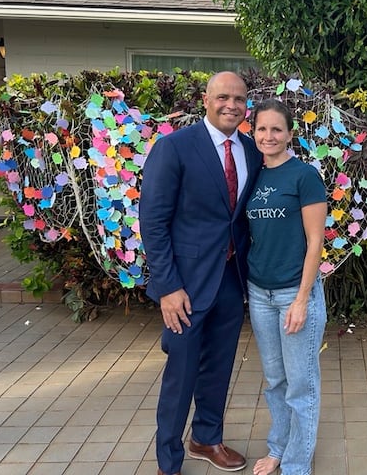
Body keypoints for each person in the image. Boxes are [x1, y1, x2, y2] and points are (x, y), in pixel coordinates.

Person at [139, 71, 263, 475]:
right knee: (181, 372)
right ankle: (167, 462)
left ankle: (206, 439)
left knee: (219, 367)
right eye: (223, 97)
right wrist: (168, 287)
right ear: (206, 100)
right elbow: (153, 222)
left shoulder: (251, 149)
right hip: (186, 286)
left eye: (240, 99)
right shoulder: (174, 148)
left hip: (230, 278)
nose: (232, 105)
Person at [245, 98, 328, 475]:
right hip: (259, 293)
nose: (269, 135)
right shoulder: (252, 175)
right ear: (253, 132)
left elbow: (315, 242)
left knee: (301, 385)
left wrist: (301, 300)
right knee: (275, 380)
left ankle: (296, 466)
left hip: (295, 294)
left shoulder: (304, 176)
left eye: (277, 129)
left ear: (290, 134)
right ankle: (278, 447)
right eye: (262, 128)